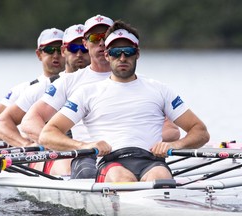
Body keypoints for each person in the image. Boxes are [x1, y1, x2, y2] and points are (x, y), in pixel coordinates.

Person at [38, 20, 210, 183]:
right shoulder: (87, 93)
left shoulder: (160, 89)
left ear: (137, 54)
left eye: (128, 52)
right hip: (111, 164)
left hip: (151, 161)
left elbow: (200, 131)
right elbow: (47, 134)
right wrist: (85, 145)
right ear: (107, 55)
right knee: (123, 179)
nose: (122, 58)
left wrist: (175, 145)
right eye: (115, 52)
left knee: (161, 175)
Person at [0, 24, 90, 175]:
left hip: (93, 150)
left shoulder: (106, 83)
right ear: (66, 51)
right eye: (73, 48)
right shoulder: (45, 86)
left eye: (84, 49)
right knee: (69, 164)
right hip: (63, 156)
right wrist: (27, 143)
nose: (79, 53)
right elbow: (1, 122)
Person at [0, 28, 65, 141]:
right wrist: (18, 140)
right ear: (39, 54)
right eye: (49, 50)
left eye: (59, 50)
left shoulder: (77, 84)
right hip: (41, 150)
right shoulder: (25, 89)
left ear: (65, 52)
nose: (56, 55)